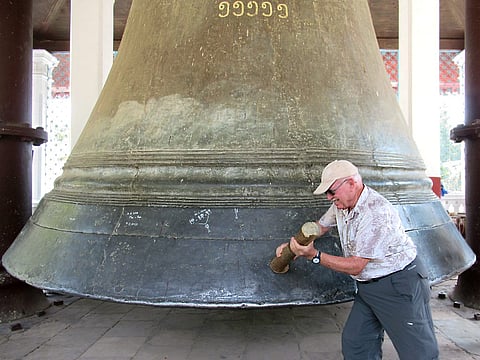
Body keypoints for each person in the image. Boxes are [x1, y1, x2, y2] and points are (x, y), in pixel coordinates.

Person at [276, 160, 439, 360]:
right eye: (327, 193)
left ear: (352, 183)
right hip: (368, 285)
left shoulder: (375, 212)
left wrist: (314, 256)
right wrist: (294, 245)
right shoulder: (342, 205)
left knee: (417, 352)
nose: (329, 198)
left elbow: (356, 265)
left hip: (398, 284)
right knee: (357, 345)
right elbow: (321, 226)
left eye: (331, 191)